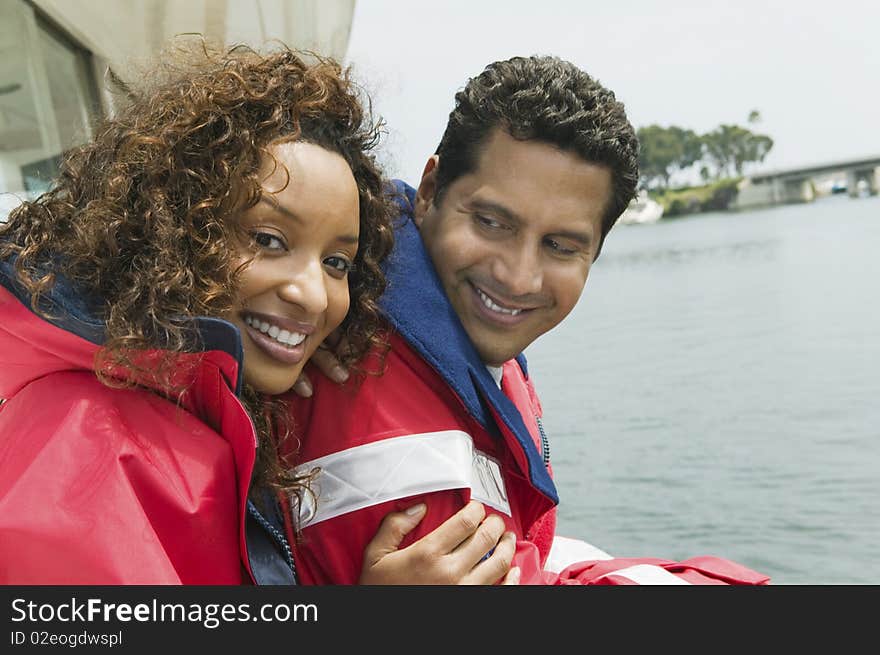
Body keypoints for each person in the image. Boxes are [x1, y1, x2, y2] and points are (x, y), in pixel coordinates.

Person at [0, 42, 518, 585]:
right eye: (269, 240)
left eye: (337, 262)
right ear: (169, 231)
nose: (314, 296)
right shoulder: (79, 447)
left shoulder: (216, 419)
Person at [283, 55, 770, 585]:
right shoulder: (356, 387)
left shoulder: (438, 328)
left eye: (560, 247)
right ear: (428, 192)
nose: (518, 278)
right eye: (492, 223)